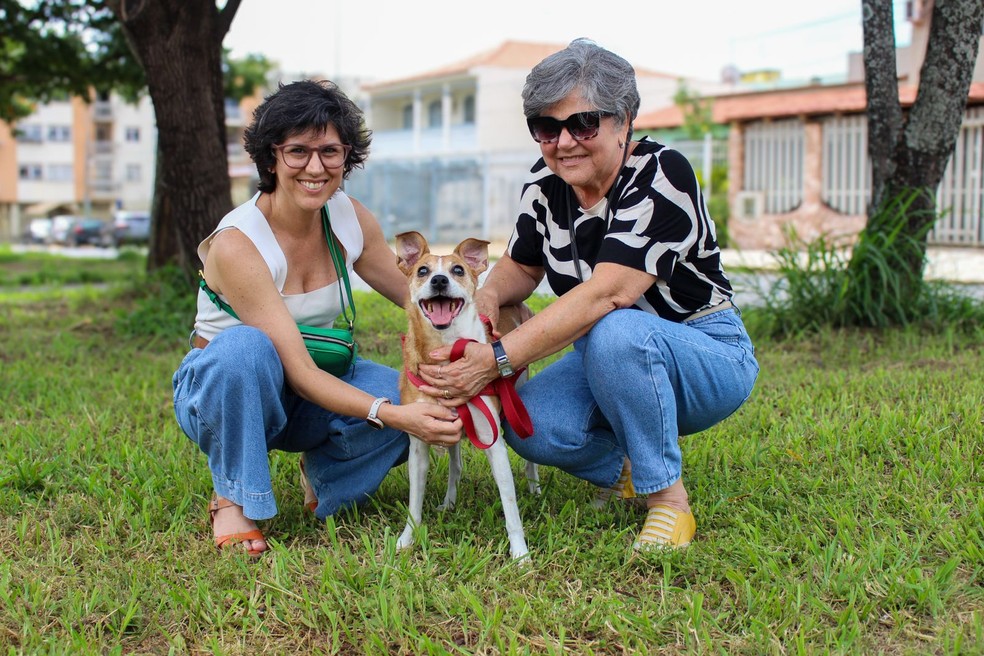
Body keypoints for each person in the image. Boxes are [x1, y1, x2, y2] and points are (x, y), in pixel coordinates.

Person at [416, 39, 760, 550]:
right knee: (530, 426)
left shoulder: (662, 174)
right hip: (602, 351)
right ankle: (631, 470)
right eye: (546, 128)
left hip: (703, 349)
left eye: (583, 124)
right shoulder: (544, 185)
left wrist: (498, 358)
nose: (564, 142)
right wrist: (484, 300)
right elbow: (522, 264)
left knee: (615, 331)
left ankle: (668, 502)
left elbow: (607, 295)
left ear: (624, 121)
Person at [172, 80, 463, 557]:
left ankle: (325, 473)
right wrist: (391, 414)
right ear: (271, 157)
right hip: (228, 392)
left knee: (410, 395)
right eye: (298, 151)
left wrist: (484, 315)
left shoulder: (349, 218)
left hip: (313, 384)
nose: (315, 166)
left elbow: (416, 298)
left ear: (347, 156)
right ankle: (233, 497)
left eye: (330, 151)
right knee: (247, 349)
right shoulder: (238, 242)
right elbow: (299, 372)